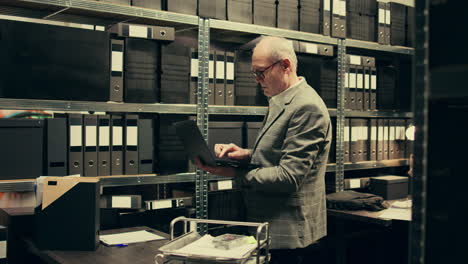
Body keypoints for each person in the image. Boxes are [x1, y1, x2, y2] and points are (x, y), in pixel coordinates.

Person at [195, 36, 332, 264]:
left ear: (285, 66)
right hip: (269, 229)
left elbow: (289, 176)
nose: (258, 80)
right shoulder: (283, 99)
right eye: (255, 74)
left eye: (261, 72)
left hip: (289, 237)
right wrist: (245, 154)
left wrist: (236, 174)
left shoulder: (306, 107)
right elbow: (279, 153)